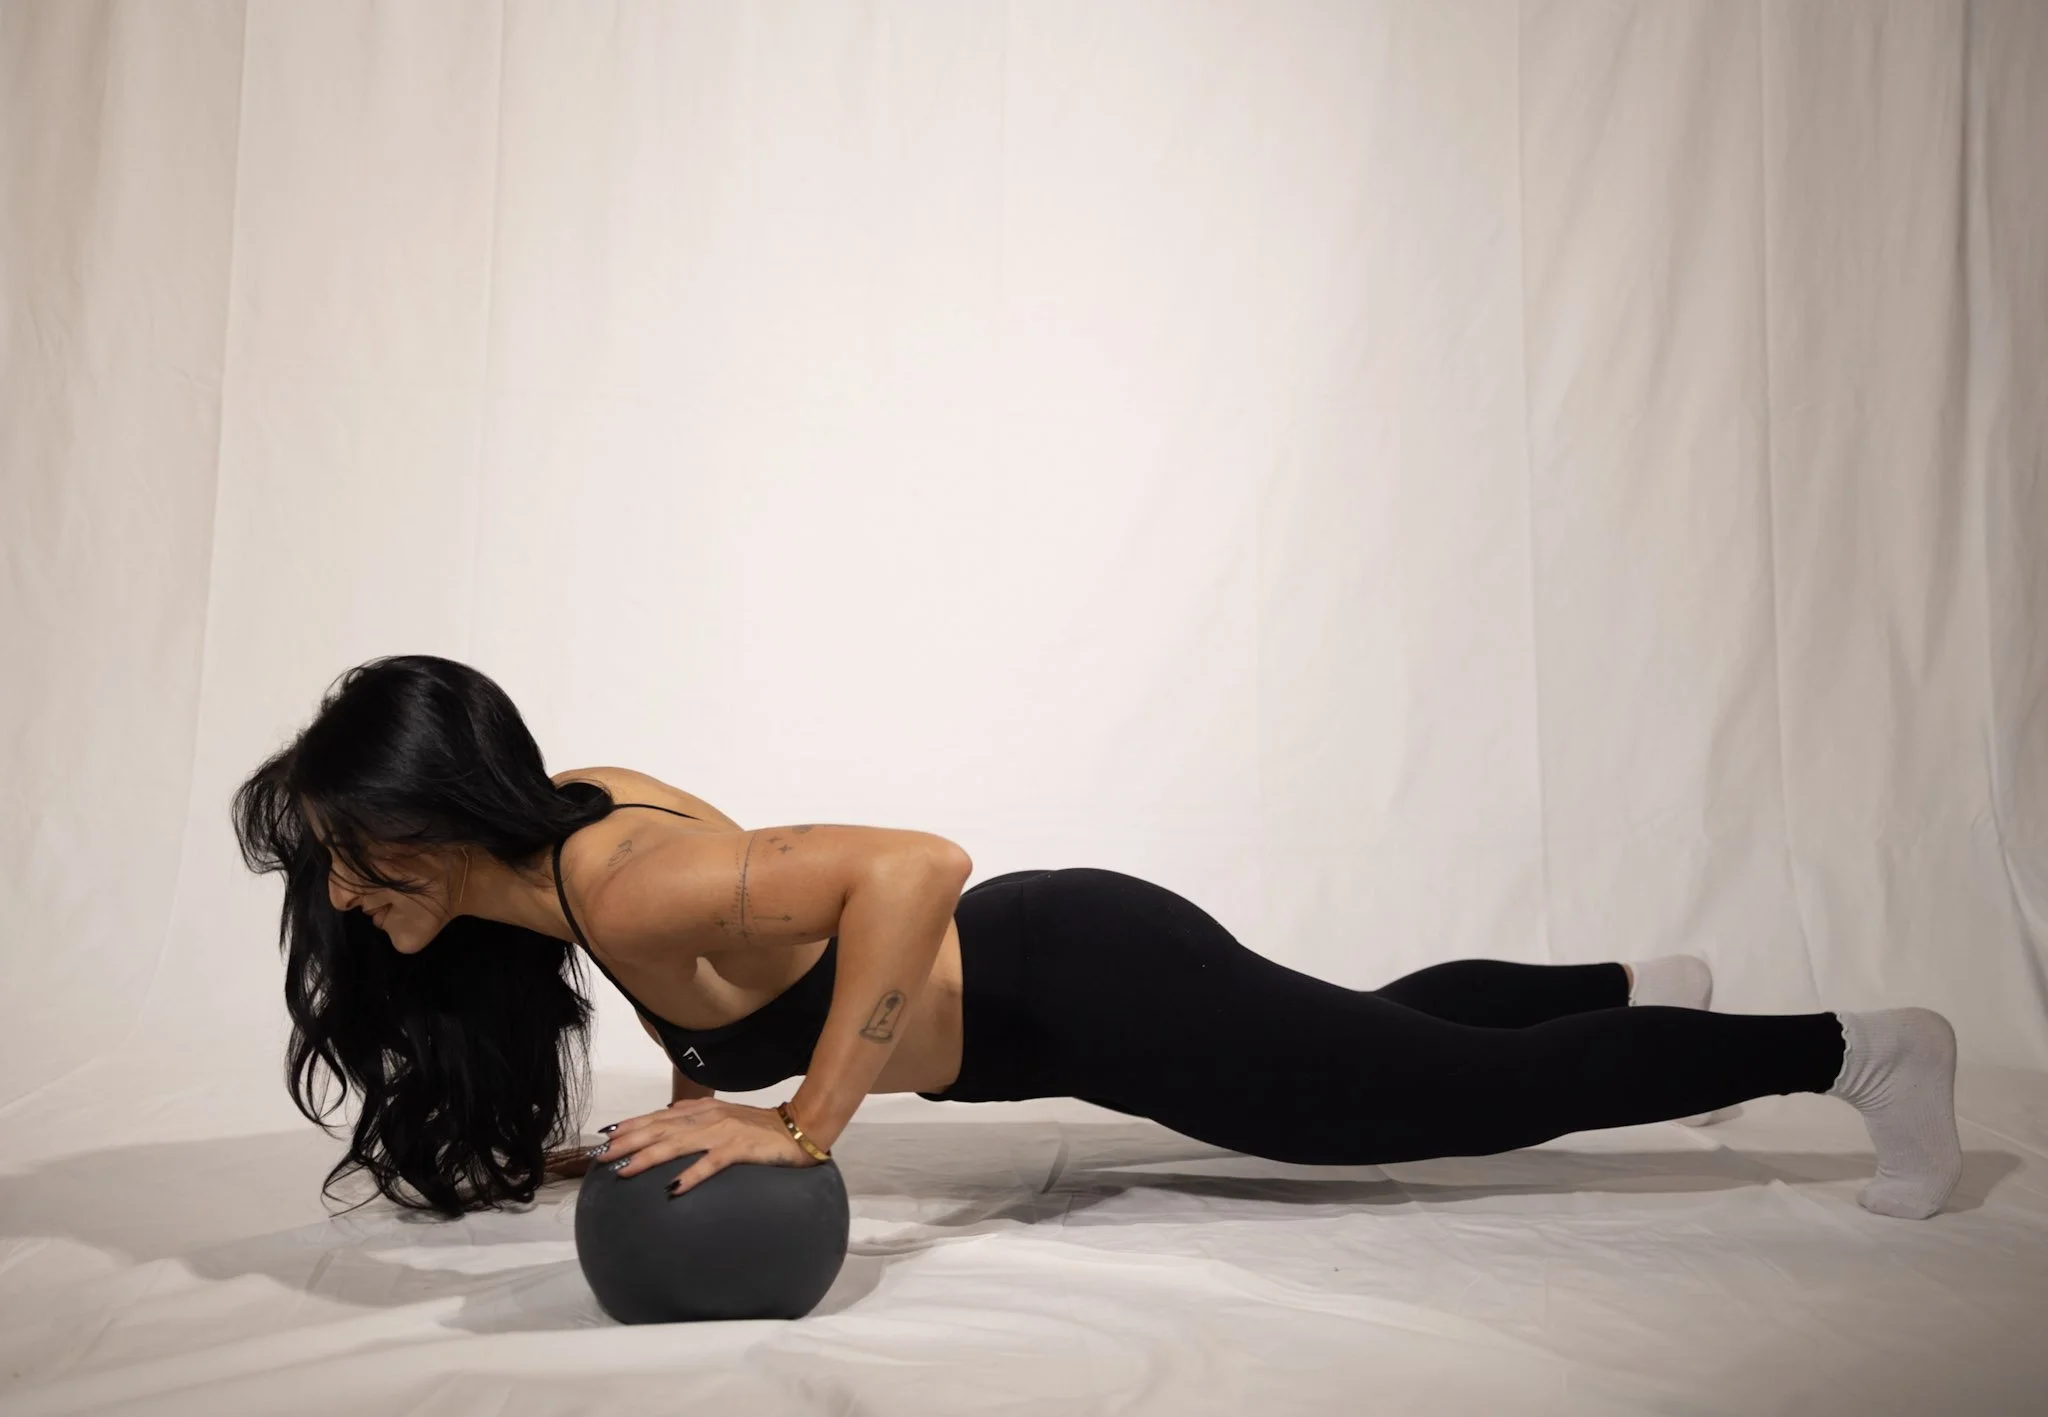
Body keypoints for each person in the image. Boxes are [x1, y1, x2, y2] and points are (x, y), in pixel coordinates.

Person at [233, 654, 1963, 1222]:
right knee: (1373, 1028)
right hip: (1078, 967)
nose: (341, 893)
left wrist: (801, 1122)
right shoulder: (570, 827)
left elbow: (914, 865)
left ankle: (1854, 1051)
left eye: (354, 854)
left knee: (1427, 1110)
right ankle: (1636, 992)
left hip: (1091, 993)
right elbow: (730, 993)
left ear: (444, 822)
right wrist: (614, 1135)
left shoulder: (622, 880)